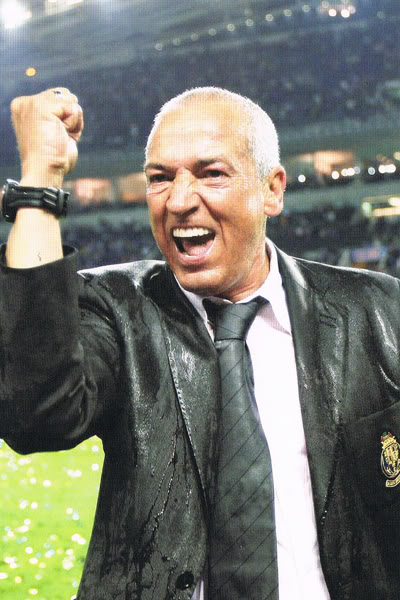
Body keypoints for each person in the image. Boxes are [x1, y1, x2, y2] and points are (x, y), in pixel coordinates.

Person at [1, 86, 400, 600]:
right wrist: (40, 181)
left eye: (211, 173)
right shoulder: (118, 308)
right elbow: (37, 415)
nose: (179, 201)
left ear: (272, 190)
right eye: (159, 178)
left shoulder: (378, 311)